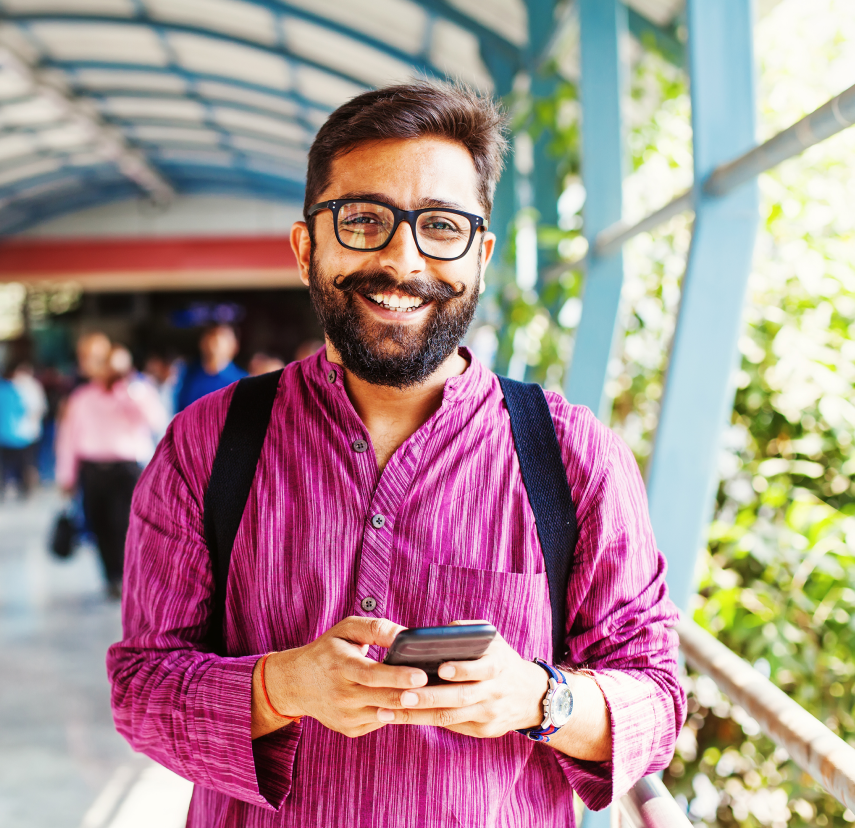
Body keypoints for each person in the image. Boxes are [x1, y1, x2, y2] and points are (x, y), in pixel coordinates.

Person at [107, 81, 684, 826]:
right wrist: (282, 686)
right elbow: (142, 689)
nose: (402, 259)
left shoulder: (572, 458)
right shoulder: (207, 444)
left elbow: (658, 700)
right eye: (365, 220)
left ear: (480, 254)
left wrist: (540, 695)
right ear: (306, 245)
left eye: (440, 226)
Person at [56, 334, 167, 599]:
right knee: (100, 526)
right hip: (93, 470)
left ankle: (132, 577)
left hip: (126, 470)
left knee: (126, 526)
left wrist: (125, 388)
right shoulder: (81, 398)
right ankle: (112, 578)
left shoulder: (134, 391)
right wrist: (66, 475)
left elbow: (155, 420)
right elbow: (69, 438)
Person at [0, 360, 45, 500]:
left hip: (2, 434)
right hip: (20, 435)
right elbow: (26, 410)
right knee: (23, 464)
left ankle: (1, 490)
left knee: (3, 465)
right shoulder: (16, 390)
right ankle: (23, 489)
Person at [174, 324, 246, 412]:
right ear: (201, 342)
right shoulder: (185, 375)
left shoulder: (242, 384)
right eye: (211, 334)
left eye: (222, 335)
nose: (215, 340)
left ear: (235, 346)